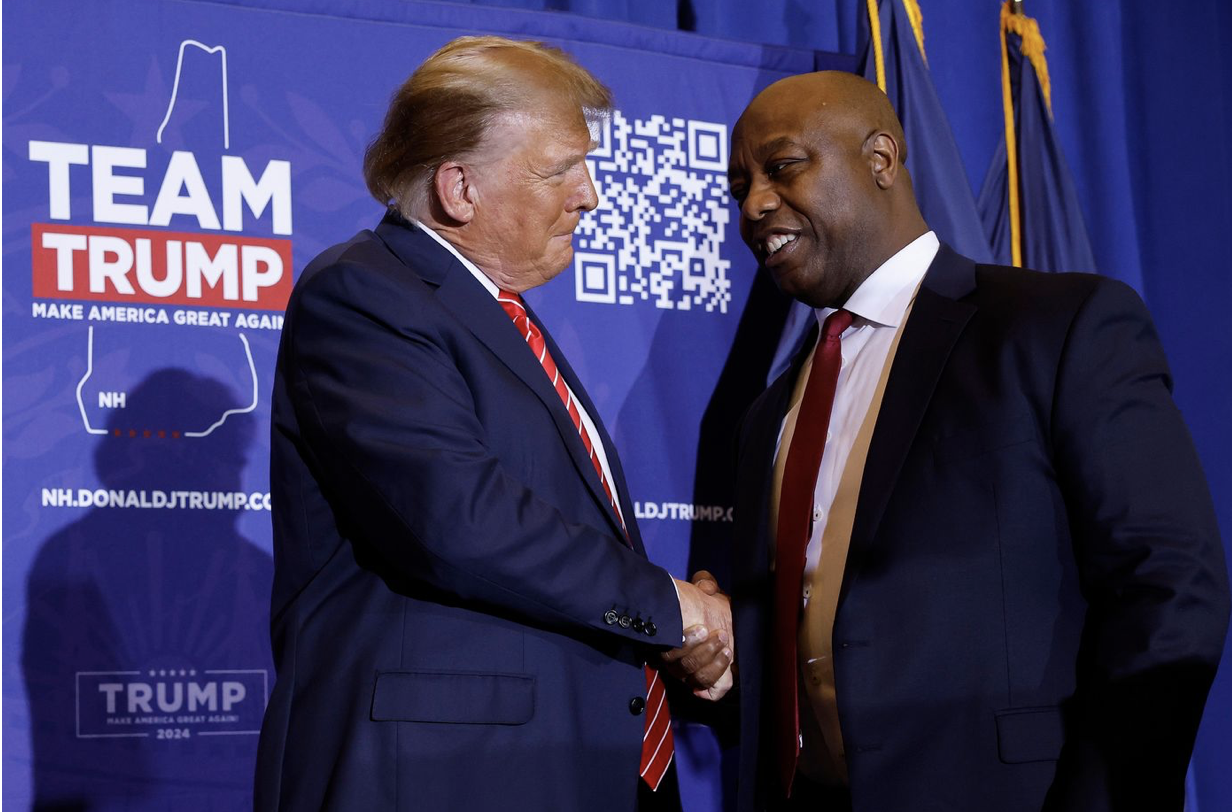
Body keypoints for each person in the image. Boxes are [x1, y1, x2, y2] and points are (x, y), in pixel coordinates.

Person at [706, 70, 1229, 812]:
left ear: (881, 159)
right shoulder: (768, 415)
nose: (755, 204)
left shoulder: (1056, 328)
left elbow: (1170, 585)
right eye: (740, 186)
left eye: (783, 167)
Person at [253, 36, 732, 812]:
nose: (590, 195)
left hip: (568, 763)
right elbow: (458, 519)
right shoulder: (366, 295)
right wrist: (671, 609)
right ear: (459, 189)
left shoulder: (499, 321)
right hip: (450, 776)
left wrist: (666, 636)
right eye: (560, 168)